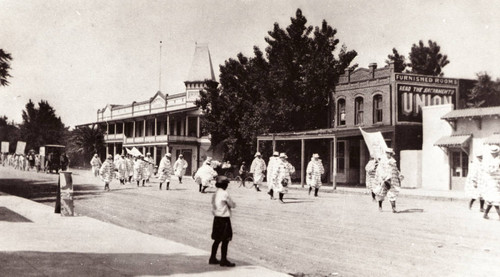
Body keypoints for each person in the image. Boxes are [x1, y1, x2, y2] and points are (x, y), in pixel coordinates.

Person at [209, 176, 236, 267]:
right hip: (224, 219)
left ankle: (212, 258)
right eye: (226, 184)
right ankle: (223, 260)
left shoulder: (215, 193)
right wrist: (233, 204)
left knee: (217, 240)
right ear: (224, 185)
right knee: (225, 240)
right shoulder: (224, 193)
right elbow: (232, 205)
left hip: (216, 218)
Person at [373, 148, 403, 213]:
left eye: (390, 153)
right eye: (387, 153)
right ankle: (380, 207)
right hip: (383, 179)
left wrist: (399, 175)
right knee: (381, 193)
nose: (389, 154)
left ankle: (393, 208)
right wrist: (382, 177)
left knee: (392, 193)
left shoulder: (393, 161)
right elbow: (379, 170)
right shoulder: (382, 161)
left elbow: (395, 169)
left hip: (392, 179)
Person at [482, 145, 500, 220]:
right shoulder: (497, 161)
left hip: (491, 181)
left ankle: (485, 214)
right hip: (494, 181)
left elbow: (485, 171)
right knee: (495, 199)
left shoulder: (487, 161)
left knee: (491, 199)